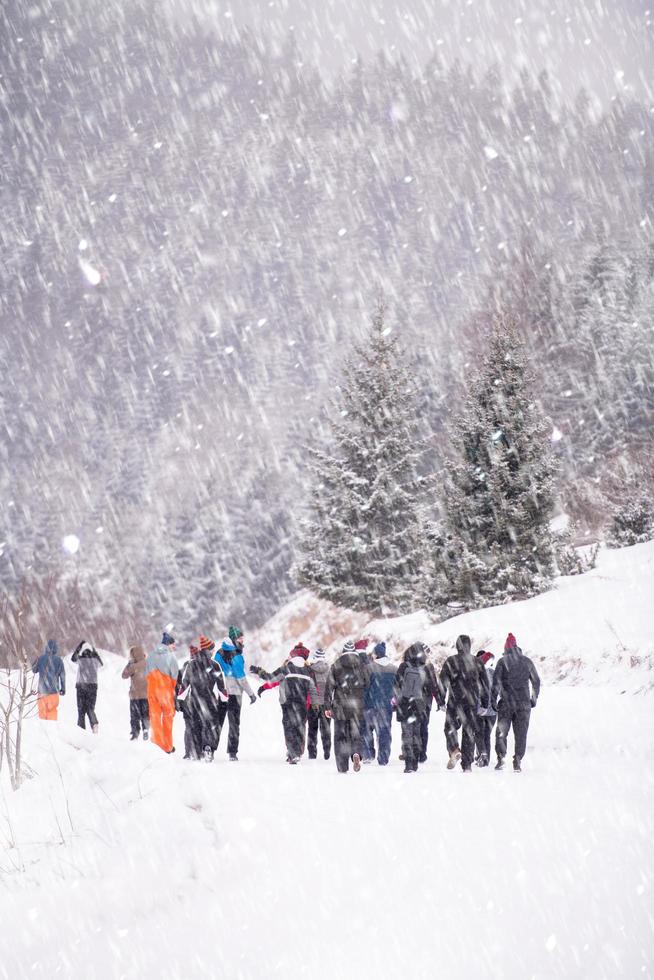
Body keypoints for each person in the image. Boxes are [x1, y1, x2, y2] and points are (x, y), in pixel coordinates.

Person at [251, 642, 317, 764]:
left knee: (289, 727)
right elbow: (313, 689)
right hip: (302, 704)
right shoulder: (309, 671)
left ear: (293, 655)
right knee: (300, 727)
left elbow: (271, 677)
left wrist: (258, 671)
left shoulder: (286, 668)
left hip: (288, 703)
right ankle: (297, 752)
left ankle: (292, 752)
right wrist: (315, 704)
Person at [492, 633, 541, 772]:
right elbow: (536, 681)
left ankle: (501, 758)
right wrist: (534, 698)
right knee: (521, 733)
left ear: (506, 648)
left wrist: (493, 700)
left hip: (506, 703)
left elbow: (496, 683)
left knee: (502, 732)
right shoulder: (527, 661)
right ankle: (518, 759)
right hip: (524, 705)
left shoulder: (502, 662)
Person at [439, 635, 489, 773]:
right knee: (469, 732)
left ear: (457, 646)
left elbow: (442, 682)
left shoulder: (451, 661)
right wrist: (485, 703)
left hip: (455, 701)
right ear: (469, 645)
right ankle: (467, 764)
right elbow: (485, 685)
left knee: (450, 728)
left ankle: (454, 749)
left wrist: (441, 700)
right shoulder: (477, 662)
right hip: (472, 702)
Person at [177, 639, 227, 762]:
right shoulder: (214, 665)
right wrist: (225, 697)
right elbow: (221, 685)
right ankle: (207, 748)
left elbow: (184, 685)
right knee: (209, 726)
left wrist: (179, 698)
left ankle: (196, 751)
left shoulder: (191, 664)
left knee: (196, 726)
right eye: (212, 649)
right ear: (209, 650)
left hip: (194, 701)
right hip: (209, 700)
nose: (214, 651)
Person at [324, 640, 369, 773]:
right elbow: (367, 683)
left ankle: (342, 766)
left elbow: (329, 687)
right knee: (356, 734)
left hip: (340, 706)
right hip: (357, 706)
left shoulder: (336, 665)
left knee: (340, 736)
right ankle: (356, 753)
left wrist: (327, 706)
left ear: (343, 652)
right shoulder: (362, 665)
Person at [212, 627, 256, 761]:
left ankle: (210, 748)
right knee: (234, 724)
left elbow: (215, 670)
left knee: (218, 722)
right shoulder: (236, 656)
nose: (242, 641)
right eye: (240, 638)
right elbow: (241, 678)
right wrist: (251, 694)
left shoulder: (218, 654)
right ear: (233, 639)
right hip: (235, 694)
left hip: (223, 692)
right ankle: (232, 753)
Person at [393, 643, 431, 773]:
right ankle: (415, 762)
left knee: (407, 734)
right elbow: (430, 688)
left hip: (405, 704)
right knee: (417, 734)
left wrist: (397, 699)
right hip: (419, 705)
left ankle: (408, 763)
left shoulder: (404, 667)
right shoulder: (424, 668)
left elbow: (396, 683)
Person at [362, 642, 396, 766]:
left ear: (376, 654)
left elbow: (364, 687)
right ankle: (383, 757)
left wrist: (363, 702)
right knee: (384, 731)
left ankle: (368, 755)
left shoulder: (369, 668)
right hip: (386, 706)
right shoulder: (393, 668)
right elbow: (397, 689)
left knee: (367, 730)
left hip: (370, 705)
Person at [145, 630, 179, 754]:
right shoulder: (171, 657)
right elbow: (175, 677)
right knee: (168, 718)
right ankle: (168, 746)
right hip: (165, 692)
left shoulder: (150, 656)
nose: (174, 647)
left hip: (152, 691)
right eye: (173, 644)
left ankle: (157, 745)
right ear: (168, 644)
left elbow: (146, 674)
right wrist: (172, 688)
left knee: (155, 718)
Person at [71, 640, 103, 732]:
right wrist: (94, 650)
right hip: (93, 687)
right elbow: (102, 664)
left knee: (81, 711)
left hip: (81, 686)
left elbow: (73, 659)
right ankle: (94, 723)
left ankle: (81, 731)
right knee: (90, 708)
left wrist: (79, 646)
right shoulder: (95, 661)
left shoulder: (80, 659)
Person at [307, 647, 331, 761]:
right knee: (326, 729)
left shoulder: (310, 670)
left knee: (312, 729)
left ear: (315, 658)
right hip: (326, 703)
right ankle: (327, 751)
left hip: (313, 703)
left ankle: (312, 753)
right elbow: (332, 687)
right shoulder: (329, 669)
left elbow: (308, 686)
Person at [121, 644, 150, 740]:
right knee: (145, 714)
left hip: (135, 695)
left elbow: (124, 675)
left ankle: (135, 733)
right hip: (146, 695)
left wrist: (129, 664)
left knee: (135, 716)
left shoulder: (133, 666)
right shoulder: (148, 663)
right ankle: (145, 729)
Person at [32, 639, 66, 720]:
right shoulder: (59, 660)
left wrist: (37, 659)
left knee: (42, 713)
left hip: (42, 692)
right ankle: (51, 730)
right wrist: (63, 688)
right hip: (54, 692)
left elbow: (34, 670)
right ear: (56, 649)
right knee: (52, 712)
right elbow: (62, 675)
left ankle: (43, 730)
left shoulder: (41, 659)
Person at [475, 651, 496, 766]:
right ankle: (485, 757)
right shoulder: (493, 673)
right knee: (487, 734)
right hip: (493, 710)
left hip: (480, 708)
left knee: (478, 733)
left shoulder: (476, 673)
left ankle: (482, 754)